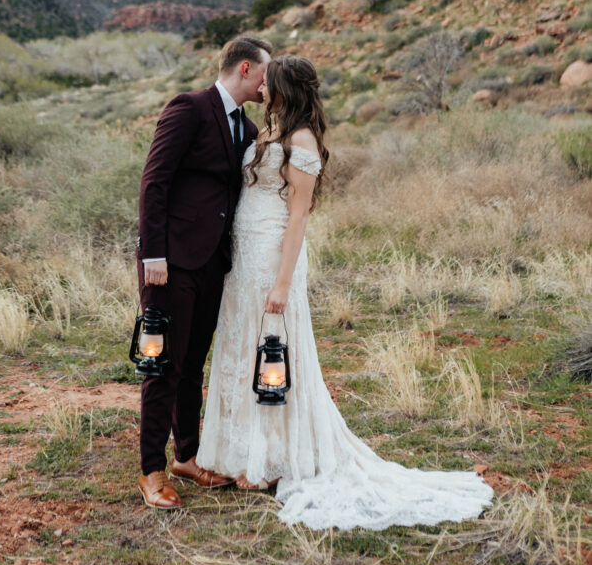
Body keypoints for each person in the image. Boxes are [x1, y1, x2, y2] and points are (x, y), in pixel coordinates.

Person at [197, 55, 493, 529]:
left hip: (274, 258)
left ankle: (272, 460)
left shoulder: (302, 139)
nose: (261, 89)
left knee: (272, 353)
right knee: (239, 347)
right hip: (245, 260)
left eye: (269, 83)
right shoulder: (268, 132)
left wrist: (282, 283)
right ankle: (241, 453)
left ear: (284, 89)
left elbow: (298, 217)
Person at [136, 36, 272, 509]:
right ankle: (151, 471)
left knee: (193, 363)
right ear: (246, 69)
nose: (267, 85)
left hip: (214, 263)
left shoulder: (249, 128)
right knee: (162, 365)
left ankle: (186, 456)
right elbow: (155, 180)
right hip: (169, 262)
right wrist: (153, 253)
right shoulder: (189, 108)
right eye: (266, 76)